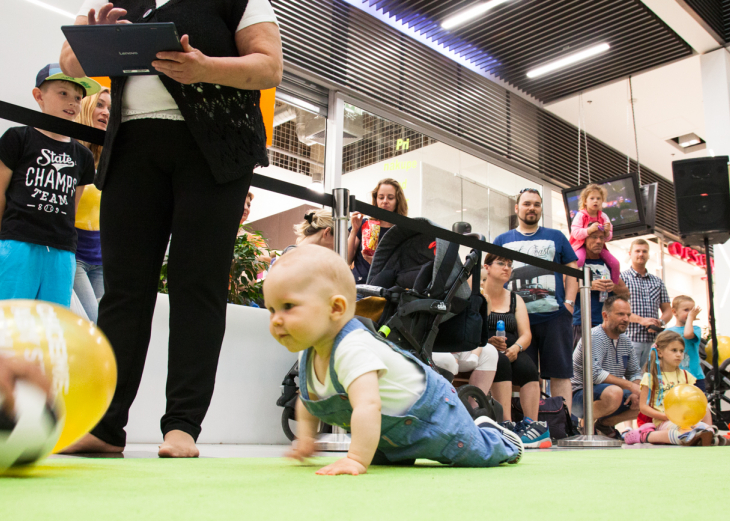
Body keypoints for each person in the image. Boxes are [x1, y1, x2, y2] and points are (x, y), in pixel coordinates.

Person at [60, 1, 282, 458]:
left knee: (196, 283)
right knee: (123, 290)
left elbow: (268, 66)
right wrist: (94, 35)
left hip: (213, 150)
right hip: (132, 149)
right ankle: (104, 426)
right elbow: (71, 63)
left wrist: (204, 67)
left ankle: (182, 426)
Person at [264, 245, 523, 475]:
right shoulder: (309, 352)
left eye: (288, 307)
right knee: (386, 458)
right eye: (272, 309)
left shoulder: (351, 347)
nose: (276, 319)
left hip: (432, 413)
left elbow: (367, 405)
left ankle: (497, 436)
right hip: (390, 431)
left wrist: (355, 459)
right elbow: (307, 401)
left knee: (476, 454)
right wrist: (307, 439)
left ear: (336, 308)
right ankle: (403, 451)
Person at [0, 64, 97, 307]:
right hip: (18, 243)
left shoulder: (82, 155)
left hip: (61, 250)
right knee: (11, 319)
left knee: (51, 324)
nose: (73, 102)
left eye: (78, 97)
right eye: (63, 93)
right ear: (39, 96)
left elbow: (71, 206)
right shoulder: (18, 137)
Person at [493, 188, 579, 412]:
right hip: (517, 321)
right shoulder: (502, 239)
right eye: (527, 203)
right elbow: (492, 275)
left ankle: (565, 424)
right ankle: (523, 422)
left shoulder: (556, 237)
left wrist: (569, 304)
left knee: (560, 373)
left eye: (537, 204)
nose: (532, 208)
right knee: (522, 374)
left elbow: (573, 270)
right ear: (517, 208)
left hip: (555, 316)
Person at [480, 253, 548, 447]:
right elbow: (472, 326)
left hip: (511, 349)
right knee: (501, 363)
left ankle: (531, 426)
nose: (506, 268)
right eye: (501, 263)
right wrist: (487, 341)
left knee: (529, 369)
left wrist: (516, 348)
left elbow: (526, 334)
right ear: (487, 267)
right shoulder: (477, 294)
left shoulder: (515, 299)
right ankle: (506, 425)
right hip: (485, 347)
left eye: (510, 265)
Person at [623, 331, 720, 446]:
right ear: (660, 352)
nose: (679, 354)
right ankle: (645, 436)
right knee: (680, 433)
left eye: (681, 351)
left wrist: (705, 425)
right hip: (664, 421)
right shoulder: (650, 377)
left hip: (687, 419)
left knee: (700, 426)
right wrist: (665, 416)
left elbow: (698, 402)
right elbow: (643, 407)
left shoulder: (686, 376)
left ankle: (707, 434)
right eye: (674, 350)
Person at [571, 296, 642, 438]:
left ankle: (604, 425)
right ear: (605, 315)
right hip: (578, 395)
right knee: (615, 392)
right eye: (620, 314)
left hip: (608, 392)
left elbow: (634, 372)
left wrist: (635, 390)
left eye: (628, 315)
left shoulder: (626, 341)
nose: (626, 319)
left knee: (647, 398)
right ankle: (584, 428)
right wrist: (630, 386)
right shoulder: (593, 336)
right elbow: (595, 374)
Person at [73, 86, 111, 323]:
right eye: (100, 104)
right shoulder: (71, 153)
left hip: (100, 259)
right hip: (74, 255)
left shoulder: (109, 158)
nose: (106, 112)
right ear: (86, 107)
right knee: (93, 324)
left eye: (109, 108)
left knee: (102, 327)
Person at [572, 229, 629, 347]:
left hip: (607, 325)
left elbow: (626, 293)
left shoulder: (609, 264)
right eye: (593, 237)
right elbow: (563, 288)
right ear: (585, 239)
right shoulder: (576, 263)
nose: (598, 241)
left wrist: (613, 287)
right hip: (582, 322)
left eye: (601, 238)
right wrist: (589, 285)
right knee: (582, 363)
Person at [620, 238, 672, 368]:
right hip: (629, 339)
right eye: (637, 251)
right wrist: (641, 320)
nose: (641, 254)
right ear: (630, 253)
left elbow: (668, 310)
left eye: (644, 251)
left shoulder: (657, 282)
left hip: (653, 341)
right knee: (629, 380)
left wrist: (661, 322)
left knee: (650, 380)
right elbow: (617, 311)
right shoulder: (621, 278)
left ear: (648, 255)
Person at [348, 178, 407, 283]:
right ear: (376, 199)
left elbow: (402, 270)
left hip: (383, 289)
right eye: (381, 197)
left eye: (390, 197)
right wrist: (354, 230)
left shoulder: (401, 232)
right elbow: (346, 259)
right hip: (357, 286)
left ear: (397, 201)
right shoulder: (365, 224)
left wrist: (375, 263)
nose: (385, 201)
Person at [570, 184, 620, 284]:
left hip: (596, 247)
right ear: (585, 201)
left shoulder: (604, 216)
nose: (595, 201)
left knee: (615, 263)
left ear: (602, 201)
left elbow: (608, 236)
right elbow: (575, 233)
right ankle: (574, 284)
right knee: (578, 261)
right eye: (592, 198)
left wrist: (606, 232)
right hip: (580, 245)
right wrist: (589, 230)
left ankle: (614, 286)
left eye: (598, 198)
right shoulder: (581, 215)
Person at [666, 296, 706, 392]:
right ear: (674, 312)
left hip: (695, 377)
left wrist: (690, 319)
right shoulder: (667, 331)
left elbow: (687, 334)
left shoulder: (695, 329)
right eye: (686, 310)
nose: (690, 313)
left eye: (692, 310)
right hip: (675, 378)